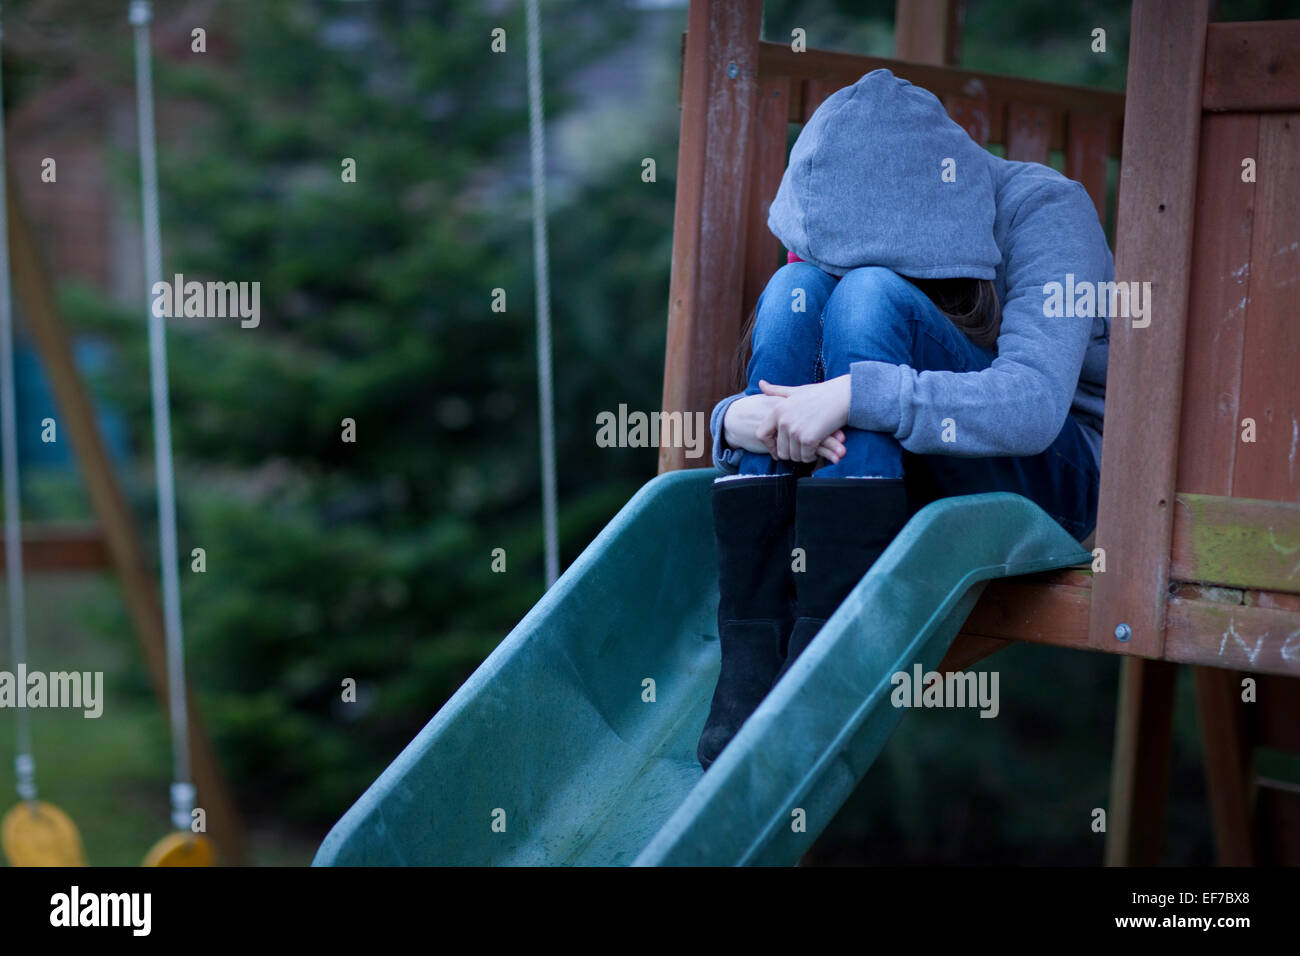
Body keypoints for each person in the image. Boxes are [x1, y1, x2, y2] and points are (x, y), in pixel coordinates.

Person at [697, 69, 1112, 771]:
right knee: (794, 288)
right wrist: (733, 418)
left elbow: (1037, 405)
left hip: (1055, 477)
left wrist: (860, 395)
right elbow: (798, 383)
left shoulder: (1046, 210)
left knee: (865, 296)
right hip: (896, 472)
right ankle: (754, 651)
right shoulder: (853, 196)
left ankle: (835, 649)